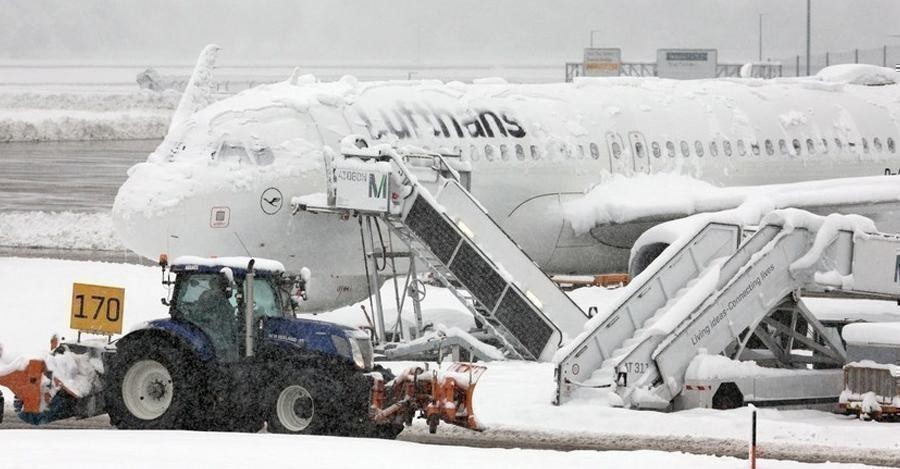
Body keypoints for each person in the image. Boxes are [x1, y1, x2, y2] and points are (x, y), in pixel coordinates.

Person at [195, 274, 239, 361]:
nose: (228, 290)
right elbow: (221, 317)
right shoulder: (214, 297)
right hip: (216, 336)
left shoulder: (216, 298)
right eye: (227, 286)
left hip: (219, 333)